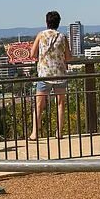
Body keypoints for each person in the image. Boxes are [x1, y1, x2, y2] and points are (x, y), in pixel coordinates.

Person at [29, 9, 72, 140]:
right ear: (58, 22)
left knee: (39, 105)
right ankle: (59, 132)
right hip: (59, 74)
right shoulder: (62, 37)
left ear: (46, 22)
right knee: (60, 103)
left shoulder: (41, 35)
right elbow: (69, 57)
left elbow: (32, 54)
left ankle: (35, 133)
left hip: (44, 74)